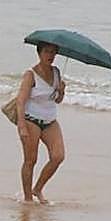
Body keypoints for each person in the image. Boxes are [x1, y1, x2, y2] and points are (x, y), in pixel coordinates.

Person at [12, 42, 67, 203]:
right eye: (47, 52)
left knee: (58, 156)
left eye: (53, 52)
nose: (51, 55)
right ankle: (28, 198)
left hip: (50, 121)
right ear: (39, 53)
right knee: (31, 160)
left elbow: (57, 100)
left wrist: (61, 91)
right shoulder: (31, 74)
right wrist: (22, 125)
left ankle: (37, 189)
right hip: (31, 120)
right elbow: (20, 101)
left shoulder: (56, 72)